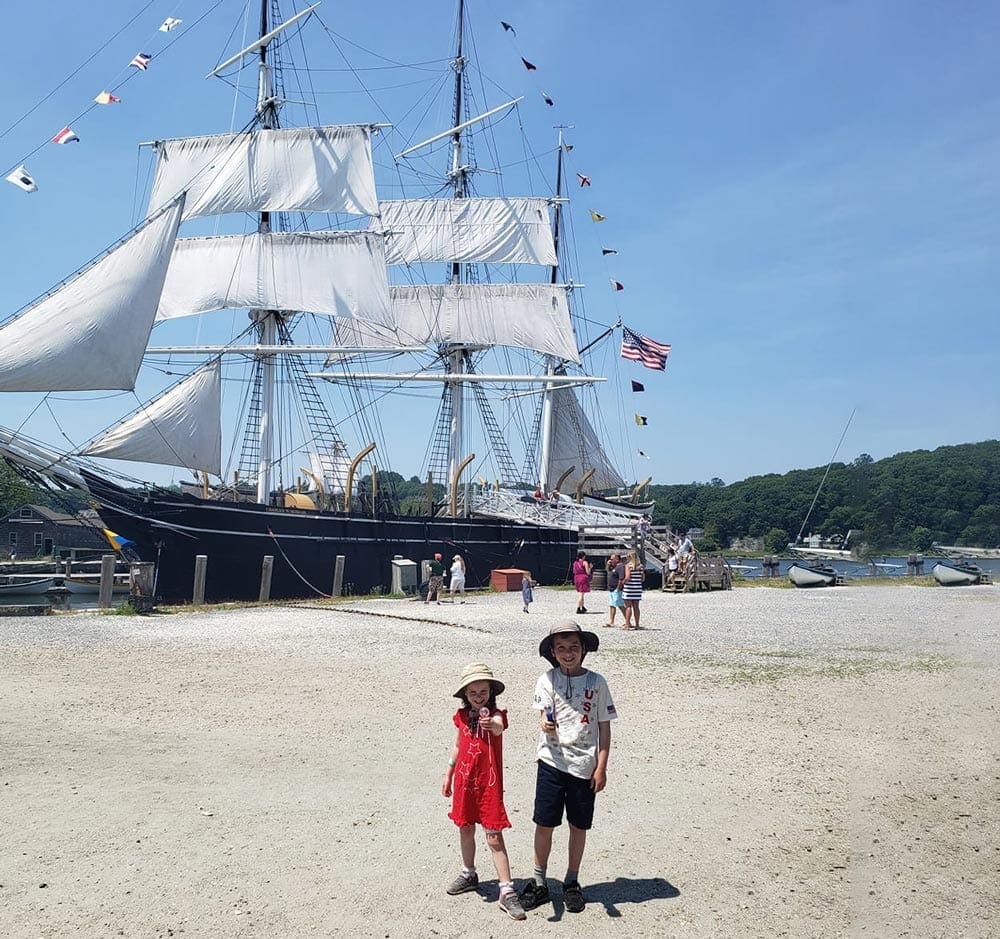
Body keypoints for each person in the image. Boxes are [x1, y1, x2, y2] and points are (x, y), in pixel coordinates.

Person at [519, 621, 617, 914]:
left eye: (574, 647)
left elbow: (604, 728)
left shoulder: (597, 683)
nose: (568, 653)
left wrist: (601, 767)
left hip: (584, 766)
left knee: (578, 825)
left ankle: (572, 881)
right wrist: (544, 723)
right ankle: (539, 881)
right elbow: (543, 715)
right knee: (544, 823)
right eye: (561, 648)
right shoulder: (546, 680)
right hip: (551, 761)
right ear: (553, 651)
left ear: (584, 649)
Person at [442, 663, 527, 921]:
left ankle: (506, 890)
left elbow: (499, 726)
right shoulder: (462, 717)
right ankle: (469, 873)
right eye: (473, 693)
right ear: (465, 695)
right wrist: (448, 774)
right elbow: (457, 746)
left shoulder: (497, 715)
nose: (478, 697)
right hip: (464, 785)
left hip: (488, 788)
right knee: (465, 828)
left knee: (493, 837)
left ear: (491, 692)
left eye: (483, 692)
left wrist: (492, 723)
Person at [621, 550, 644, 629]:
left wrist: (623, 582)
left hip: (629, 588)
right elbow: (642, 578)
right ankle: (637, 624)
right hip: (637, 588)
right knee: (636, 607)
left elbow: (627, 577)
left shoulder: (628, 566)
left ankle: (627, 624)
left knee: (628, 607)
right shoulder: (640, 566)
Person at [604, 553, 626, 627]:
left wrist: (618, 588)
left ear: (617, 559)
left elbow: (621, 578)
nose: (611, 560)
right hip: (611, 589)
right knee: (612, 605)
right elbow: (608, 571)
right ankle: (611, 621)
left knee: (620, 605)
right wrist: (608, 564)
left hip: (617, 589)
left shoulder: (620, 567)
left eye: (612, 559)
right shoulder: (614, 567)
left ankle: (627, 620)